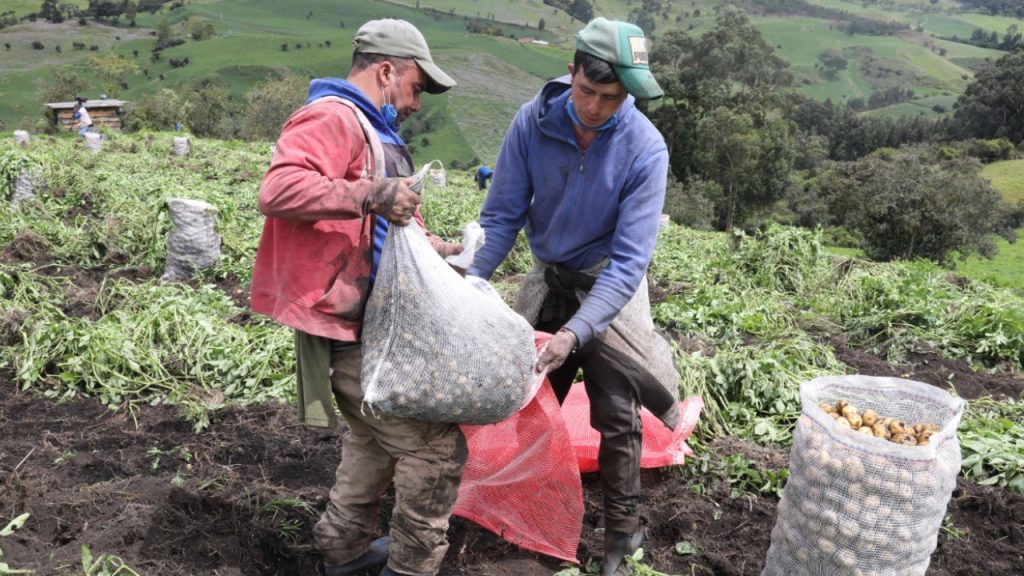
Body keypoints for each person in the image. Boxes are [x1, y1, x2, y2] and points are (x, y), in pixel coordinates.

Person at [465, 17, 681, 576]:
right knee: (530, 398)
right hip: (549, 275)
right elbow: (503, 215)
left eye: (612, 98)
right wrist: (471, 285)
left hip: (609, 285)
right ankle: (521, 503)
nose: (595, 108)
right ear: (571, 73)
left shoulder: (645, 148)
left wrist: (576, 334)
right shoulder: (532, 123)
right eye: (587, 92)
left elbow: (630, 262)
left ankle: (622, 532)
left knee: (616, 409)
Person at [250, 18, 465, 576]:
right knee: (435, 448)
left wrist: (439, 249)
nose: (416, 104)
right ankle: (411, 567)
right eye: (416, 87)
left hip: (369, 316)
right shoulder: (332, 117)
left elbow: (387, 225)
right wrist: (370, 193)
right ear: (387, 70)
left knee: (373, 437)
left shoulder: (375, 131)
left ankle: (342, 550)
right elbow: (277, 188)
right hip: (342, 319)